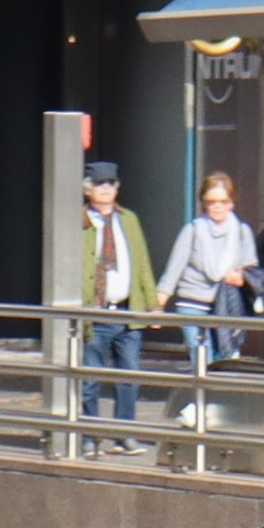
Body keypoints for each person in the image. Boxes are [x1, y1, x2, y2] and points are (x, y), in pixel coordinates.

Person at [79, 160, 157, 454]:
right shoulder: (81, 221)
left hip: (127, 312)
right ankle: (90, 437)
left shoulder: (129, 219)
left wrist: (151, 304)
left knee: (129, 378)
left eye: (110, 183)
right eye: (100, 184)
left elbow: (142, 264)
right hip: (95, 314)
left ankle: (125, 435)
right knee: (90, 379)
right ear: (89, 189)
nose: (106, 189)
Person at [156, 171, 262, 363]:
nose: (217, 206)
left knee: (223, 364)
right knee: (202, 364)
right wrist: (157, 307)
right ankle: (202, 392)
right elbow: (172, 272)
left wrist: (238, 277)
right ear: (204, 203)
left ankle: (214, 393)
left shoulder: (241, 232)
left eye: (223, 201)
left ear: (232, 202)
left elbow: (250, 270)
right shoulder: (193, 230)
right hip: (192, 305)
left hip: (226, 308)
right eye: (211, 201)